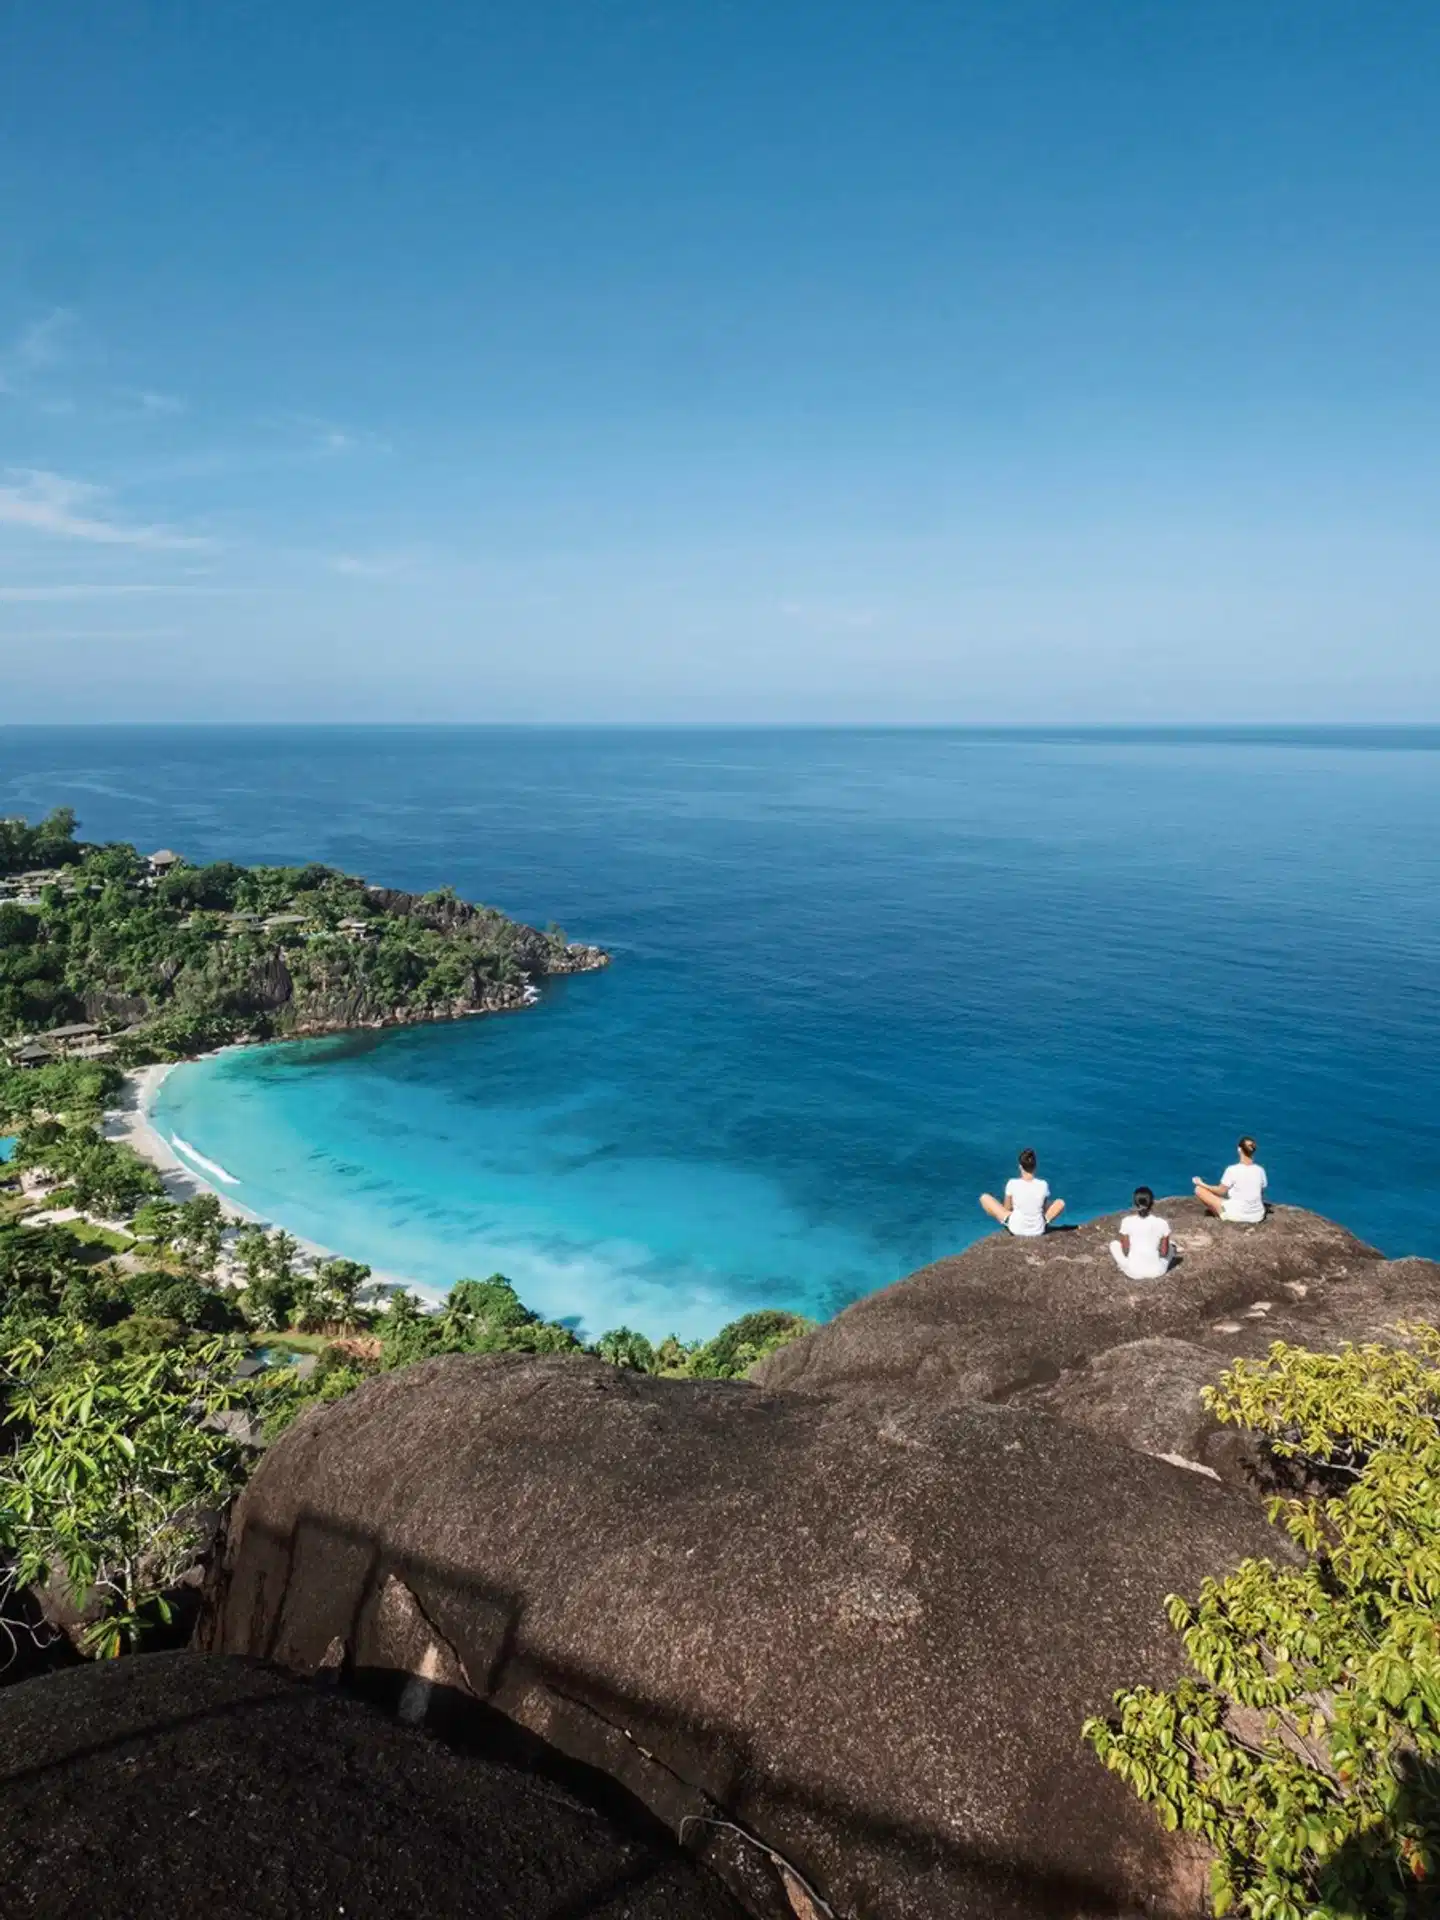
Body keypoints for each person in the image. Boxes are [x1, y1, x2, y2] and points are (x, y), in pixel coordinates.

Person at [980, 1147, 1065, 1237]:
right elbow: (1043, 1209)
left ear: (1020, 1167)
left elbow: (1007, 1208)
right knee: (1060, 1202)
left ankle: (1005, 1223)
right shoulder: (1043, 1184)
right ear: (1035, 1166)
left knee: (984, 1198)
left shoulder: (1012, 1183)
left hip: (1016, 1228)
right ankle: (1040, 1223)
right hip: (1038, 1229)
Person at [1193, 1136, 1268, 1223]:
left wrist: (1201, 1183)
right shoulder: (1260, 1170)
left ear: (1239, 1150)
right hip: (1257, 1216)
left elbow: (1220, 1191)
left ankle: (1221, 1214)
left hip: (1236, 1215)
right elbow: (1261, 1193)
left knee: (1199, 1190)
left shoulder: (1232, 1170)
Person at [1110, 1186, 1172, 1280]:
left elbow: (1125, 1250)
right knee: (1172, 1247)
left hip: (1133, 1272)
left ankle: (1124, 1266)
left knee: (1113, 1244)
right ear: (1152, 1203)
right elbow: (1164, 1252)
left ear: (1135, 1204)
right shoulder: (1162, 1223)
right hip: (1156, 1271)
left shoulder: (1127, 1221)